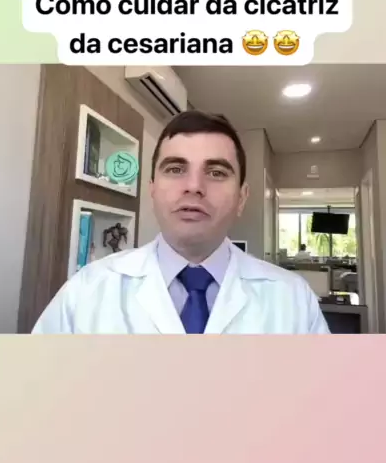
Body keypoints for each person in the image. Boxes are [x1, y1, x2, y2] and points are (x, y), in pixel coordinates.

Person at [32, 110, 329, 334]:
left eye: (216, 173)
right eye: (175, 169)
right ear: (152, 189)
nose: (194, 186)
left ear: (242, 197)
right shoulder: (86, 291)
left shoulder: (293, 300)